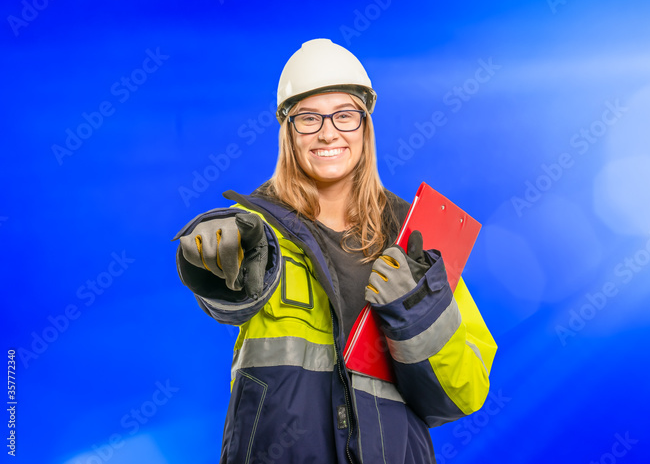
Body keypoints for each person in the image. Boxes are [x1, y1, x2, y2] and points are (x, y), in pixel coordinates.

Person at [173, 38, 497, 464]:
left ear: (365, 125)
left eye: (344, 115)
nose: (328, 132)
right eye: (309, 118)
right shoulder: (257, 228)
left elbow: (463, 393)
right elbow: (227, 299)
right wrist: (206, 256)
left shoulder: (413, 236)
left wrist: (415, 309)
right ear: (288, 131)